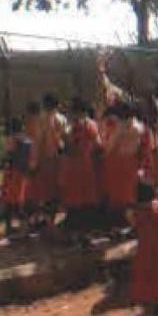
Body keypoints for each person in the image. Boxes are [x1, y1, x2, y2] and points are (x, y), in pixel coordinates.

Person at [127, 183, 158, 316]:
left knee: (145, 283)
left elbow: (132, 222)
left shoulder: (137, 213)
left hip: (144, 252)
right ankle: (156, 307)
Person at [59, 98, 102, 236]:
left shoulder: (77, 126)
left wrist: (66, 140)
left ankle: (77, 230)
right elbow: (98, 146)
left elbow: (71, 147)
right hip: (85, 165)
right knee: (85, 197)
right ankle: (83, 229)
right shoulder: (91, 125)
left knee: (76, 198)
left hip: (77, 165)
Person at [103, 101, 149, 224]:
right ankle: (129, 219)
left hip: (118, 161)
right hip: (132, 161)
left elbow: (111, 144)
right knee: (130, 191)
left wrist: (105, 152)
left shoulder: (120, 127)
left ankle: (118, 219)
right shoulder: (140, 127)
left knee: (117, 192)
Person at [31, 93, 68, 227]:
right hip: (59, 158)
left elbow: (38, 141)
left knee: (46, 191)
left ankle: (48, 220)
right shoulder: (62, 119)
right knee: (57, 189)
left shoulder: (42, 119)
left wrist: (34, 161)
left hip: (46, 158)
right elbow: (65, 138)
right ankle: (52, 219)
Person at [1, 117, 34, 236]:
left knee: (10, 202)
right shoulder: (27, 140)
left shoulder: (13, 140)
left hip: (12, 173)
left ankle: (11, 227)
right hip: (23, 174)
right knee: (19, 201)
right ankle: (24, 226)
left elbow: (9, 156)